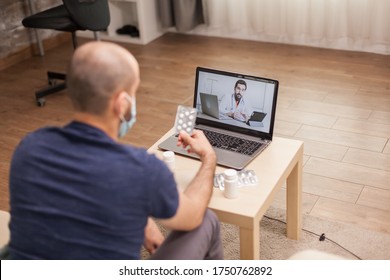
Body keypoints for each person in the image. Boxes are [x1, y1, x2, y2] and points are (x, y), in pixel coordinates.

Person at [7, 41, 223, 260]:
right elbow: (193, 214)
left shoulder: (29, 148)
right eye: (134, 92)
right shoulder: (141, 170)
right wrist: (208, 156)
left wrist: (142, 221)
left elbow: (81, 198)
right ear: (121, 104)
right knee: (207, 221)